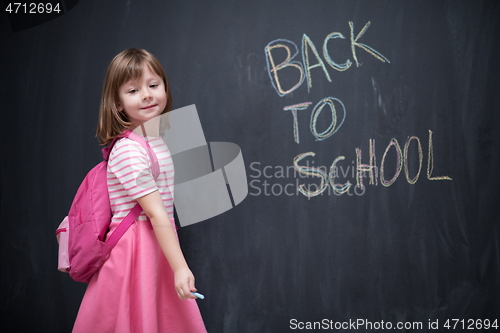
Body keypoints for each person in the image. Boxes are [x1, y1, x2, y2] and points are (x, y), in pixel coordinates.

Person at [72, 48, 207, 333]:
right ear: (117, 103)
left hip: (157, 244)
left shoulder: (155, 140)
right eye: (133, 90)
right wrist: (181, 267)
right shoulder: (128, 150)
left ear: (165, 89)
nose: (146, 95)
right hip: (136, 251)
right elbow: (156, 212)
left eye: (153, 85)